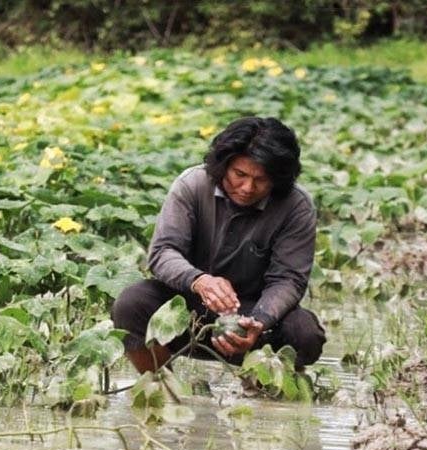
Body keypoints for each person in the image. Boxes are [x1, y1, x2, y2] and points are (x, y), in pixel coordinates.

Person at [112, 116, 325, 373]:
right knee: (131, 303)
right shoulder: (192, 185)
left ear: (278, 180)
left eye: (261, 180)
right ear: (224, 166)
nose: (247, 187)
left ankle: (261, 381)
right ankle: (162, 387)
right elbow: (162, 252)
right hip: (186, 308)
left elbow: (289, 279)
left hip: (251, 316)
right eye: (240, 174)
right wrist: (200, 281)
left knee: (304, 333)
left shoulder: (296, 206)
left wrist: (259, 321)